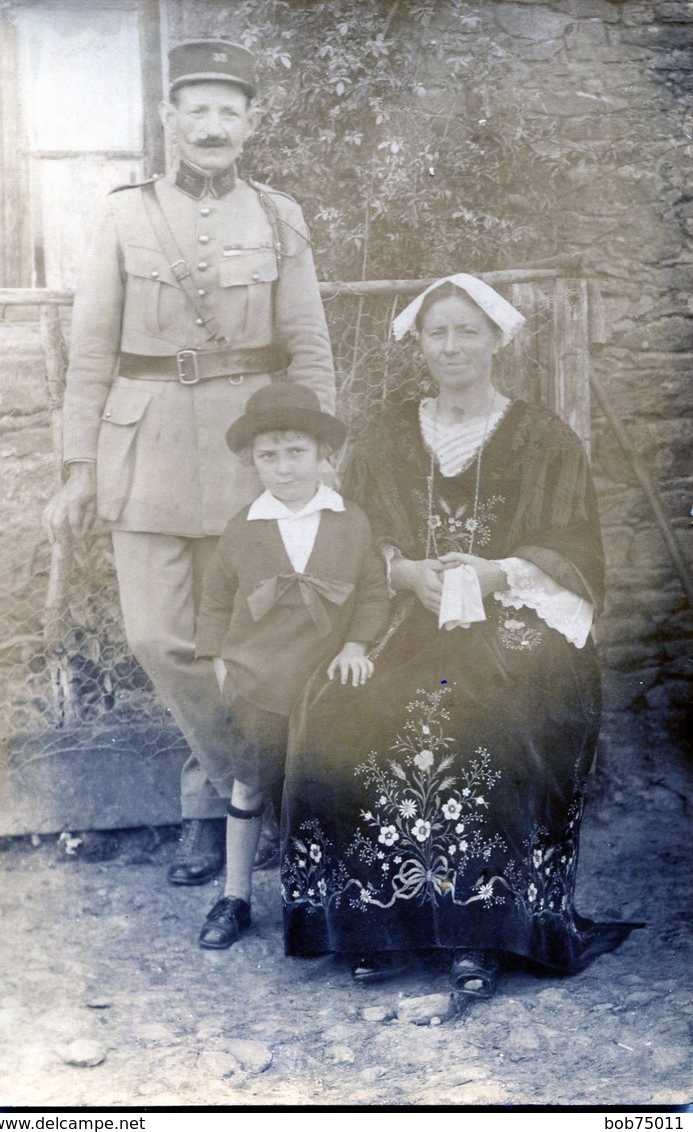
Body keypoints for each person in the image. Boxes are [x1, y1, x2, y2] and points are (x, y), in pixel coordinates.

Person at [281, 273, 641, 993]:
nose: (451, 346)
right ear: (418, 343)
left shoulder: (543, 438)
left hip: (513, 618)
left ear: (495, 341)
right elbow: (351, 535)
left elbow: (577, 550)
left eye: (466, 331)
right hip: (401, 617)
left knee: (498, 709)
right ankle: (372, 921)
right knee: (339, 704)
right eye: (436, 332)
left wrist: (498, 571)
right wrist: (400, 570)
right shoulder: (384, 436)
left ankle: (485, 930)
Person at [42, 40, 336, 885]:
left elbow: (309, 346)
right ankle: (251, 789)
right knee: (158, 637)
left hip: (256, 454)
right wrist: (77, 463)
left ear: (251, 123)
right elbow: (90, 349)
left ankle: (207, 820)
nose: (212, 127)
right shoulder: (124, 215)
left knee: (246, 640)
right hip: (146, 448)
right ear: (168, 121)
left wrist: (320, 458)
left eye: (228, 111)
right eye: (195, 111)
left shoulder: (280, 216)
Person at [192, 382, 389, 949]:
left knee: (329, 785)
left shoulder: (350, 521)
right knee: (250, 782)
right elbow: (215, 597)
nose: (283, 468)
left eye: (296, 452)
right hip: (258, 679)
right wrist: (219, 658)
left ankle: (336, 899)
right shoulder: (243, 527)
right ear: (254, 462)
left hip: (325, 682)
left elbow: (374, 592)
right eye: (268, 455)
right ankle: (235, 896)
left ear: (323, 455)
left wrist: (356, 646)